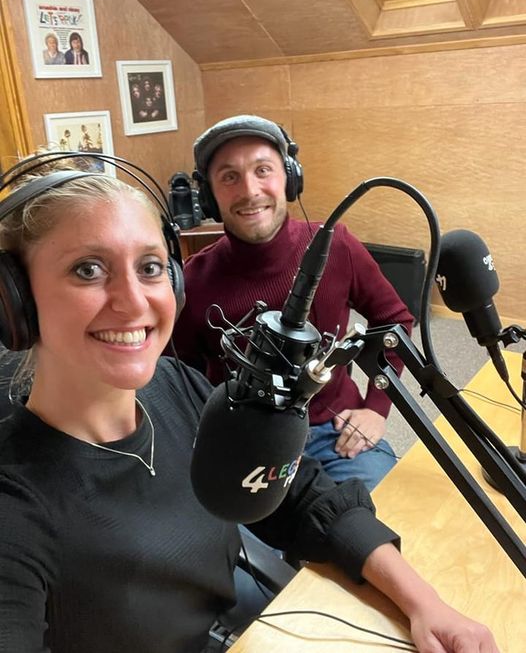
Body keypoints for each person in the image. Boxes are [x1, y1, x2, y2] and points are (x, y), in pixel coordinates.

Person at [0, 153, 498, 653]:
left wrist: (426, 604)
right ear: (15, 301)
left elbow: (303, 496)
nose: (134, 302)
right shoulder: (14, 506)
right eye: (88, 270)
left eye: (149, 267)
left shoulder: (180, 388)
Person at [172, 115, 414, 491]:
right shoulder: (193, 280)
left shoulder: (337, 245)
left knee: (389, 514)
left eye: (263, 170)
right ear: (209, 196)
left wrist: (376, 408)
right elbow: (177, 375)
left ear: (289, 177)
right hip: (244, 443)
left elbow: (393, 320)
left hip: (334, 432)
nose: (250, 191)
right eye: (230, 177)